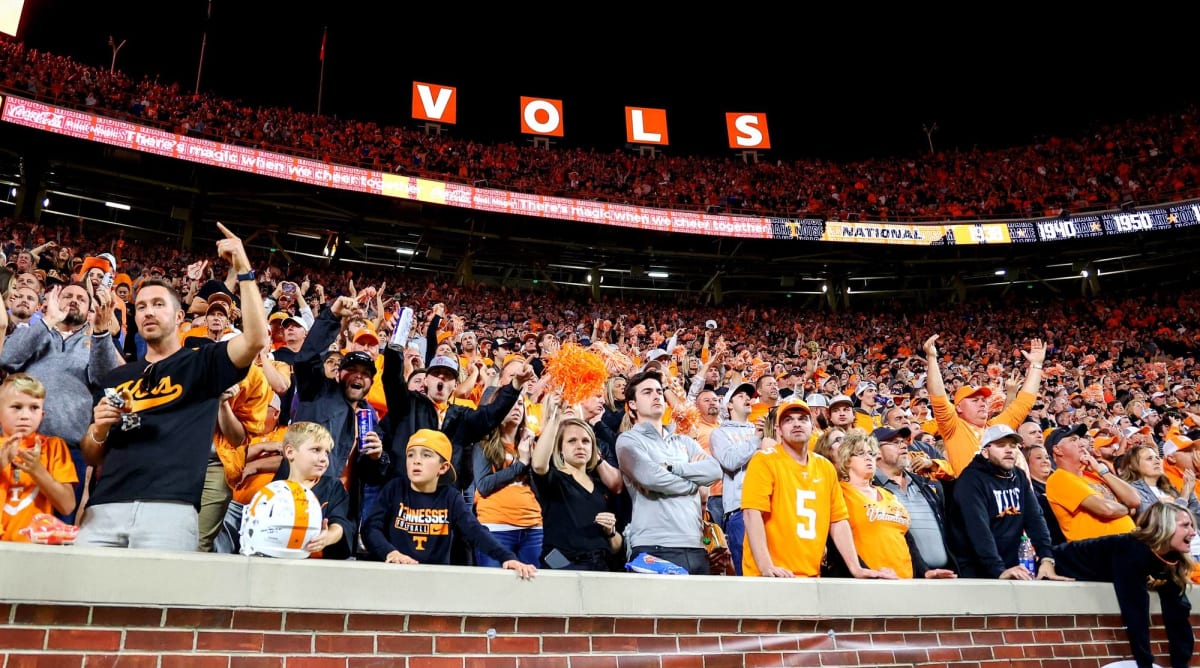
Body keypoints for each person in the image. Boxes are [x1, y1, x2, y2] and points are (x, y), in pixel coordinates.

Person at [76, 223, 267, 551]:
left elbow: (254, 339)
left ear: (180, 317)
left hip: (171, 509)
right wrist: (99, 429)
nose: (148, 311)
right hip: (105, 507)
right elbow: (93, 454)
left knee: (156, 603)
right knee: (82, 599)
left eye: (158, 304)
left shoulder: (203, 364)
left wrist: (243, 270)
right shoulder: (117, 377)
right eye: (142, 306)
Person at [0, 281, 123, 521]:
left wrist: (100, 333)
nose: (74, 300)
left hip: (69, 448)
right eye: (67, 296)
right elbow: (7, 358)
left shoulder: (94, 341)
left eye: (81, 298)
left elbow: (104, 378)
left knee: (57, 524)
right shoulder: (35, 332)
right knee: (9, 519)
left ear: (89, 310)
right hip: (17, 442)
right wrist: (48, 320)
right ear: (53, 302)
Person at [740, 397, 896, 579]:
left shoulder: (825, 467)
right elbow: (752, 513)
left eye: (802, 419)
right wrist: (766, 566)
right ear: (778, 430)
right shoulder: (764, 460)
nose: (796, 424)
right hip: (770, 575)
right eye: (788, 420)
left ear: (812, 427)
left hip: (811, 574)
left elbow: (838, 520)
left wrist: (856, 568)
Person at [360, 429, 537, 578]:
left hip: (435, 581)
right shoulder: (394, 489)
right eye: (411, 455)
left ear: (443, 467)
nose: (416, 460)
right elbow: (370, 528)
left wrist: (507, 557)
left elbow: (475, 532)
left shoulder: (450, 498)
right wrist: (391, 552)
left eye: (426, 455)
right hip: (396, 576)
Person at [1052, 501, 1196, 668]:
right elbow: (1135, 611)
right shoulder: (1132, 550)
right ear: (1164, 527)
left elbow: (1178, 612)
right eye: (1185, 525)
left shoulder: (1171, 557)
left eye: (1192, 525)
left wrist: (1181, 664)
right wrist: (1145, 664)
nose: (1193, 532)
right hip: (1057, 564)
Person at [616, 370, 722, 575]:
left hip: (696, 543)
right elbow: (653, 478)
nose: (656, 396)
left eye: (658, 391)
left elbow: (714, 471)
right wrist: (694, 483)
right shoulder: (628, 441)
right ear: (632, 405)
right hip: (654, 545)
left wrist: (673, 468)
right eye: (647, 392)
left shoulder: (683, 440)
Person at [947, 424, 1065, 580]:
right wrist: (998, 570)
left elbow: (1035, 519)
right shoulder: (970, 480)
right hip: (977, 571)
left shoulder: (1019, 475)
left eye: (1013, 445)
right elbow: (978, 529)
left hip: (1013, 566)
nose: (1009, 450)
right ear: (985, 452)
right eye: (1001, 445)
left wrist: (1046, 558)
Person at [834, 429, 955, 579]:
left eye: (871, 453)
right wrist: (867, 572)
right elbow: (836, 543)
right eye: (861, 453)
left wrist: (924, 571)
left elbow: (906, 539)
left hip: (905, 581)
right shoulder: (840, 492)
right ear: (846, 459)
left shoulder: (887, 494)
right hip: (869, 584)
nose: (868, 458)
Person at [922, 334, 1046, 476]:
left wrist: (1036, 365)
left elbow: (1025, 402)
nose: (982, 404)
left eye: (984, 400)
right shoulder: (953, 428)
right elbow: (938, 396)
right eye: (975, 400)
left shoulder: (997, 427)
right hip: (980, 496)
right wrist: (931, 358)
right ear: (958, 408)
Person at [530, 404, 624, 571]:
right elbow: (538, 465)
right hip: (563, 568)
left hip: (600, 568)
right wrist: (555, 419)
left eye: (586, 441)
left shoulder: (600, 486)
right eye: (572, 441)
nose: (580, 446)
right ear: (559, 449)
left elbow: (616, 546)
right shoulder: (553, 478)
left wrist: (610, 531)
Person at [0, 373, 77, 540]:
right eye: (17, 407)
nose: (25, 416)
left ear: (42, 414)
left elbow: (67, 506)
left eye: (34, 407)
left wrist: (38, 471)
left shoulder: (53, 447)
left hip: (34, 547)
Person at [872, 426, 958, 575]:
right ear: (876, 451)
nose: (904, 445)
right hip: (900, 577)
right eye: (894, 442)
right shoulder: (870, 489)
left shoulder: (929, 486)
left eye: (903, 441)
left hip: (944, 575)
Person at [264, 421, 354, 559]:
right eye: (316, 450)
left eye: (327, 453)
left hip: (320, 567)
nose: (324, 459)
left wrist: (328, 537)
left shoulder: (333, 487)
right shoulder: (273, 491)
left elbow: (340, 523)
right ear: (290, 452)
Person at [471, 398, 543, 568]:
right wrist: (520, 465)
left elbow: (540, 490)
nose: (517, 407)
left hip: (533, 528)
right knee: (495, 589)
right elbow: (484, 486)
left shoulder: (530, 446)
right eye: (511, 403)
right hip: (495, 527)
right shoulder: (483, 445)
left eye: (520, 404)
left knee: (533, 589)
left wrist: (530, 456)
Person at [1045, 423, 1140, 542]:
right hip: (1098, 553)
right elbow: (1106, 509)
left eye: (1080, 439)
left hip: (1126, 545)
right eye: (1073, 440)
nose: (1081, 443)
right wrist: (1127, 509)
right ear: (1057, 450)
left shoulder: (1093, 474)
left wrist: (1102, 470)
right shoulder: (1059, 478)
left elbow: (1135, 500)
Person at [708, 381, 760, 575]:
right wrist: (756, 439)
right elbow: (729, 461)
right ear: (729, 405)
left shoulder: (761, 429)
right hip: (740, 508)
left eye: (749, 396)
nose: (747, 398)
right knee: (745, 572)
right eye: (740, 396)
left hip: (769, 507)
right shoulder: (720, 434)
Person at [1121, 444, 1200, 520]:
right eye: (1149, 458)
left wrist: (1190, 492)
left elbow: (1196, 516)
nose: (1157, 462)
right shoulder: (1134, 491)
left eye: (1157, 458)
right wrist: (1184, 498)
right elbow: (1160, 522)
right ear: (1132, 466)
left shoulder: (1168, 488)